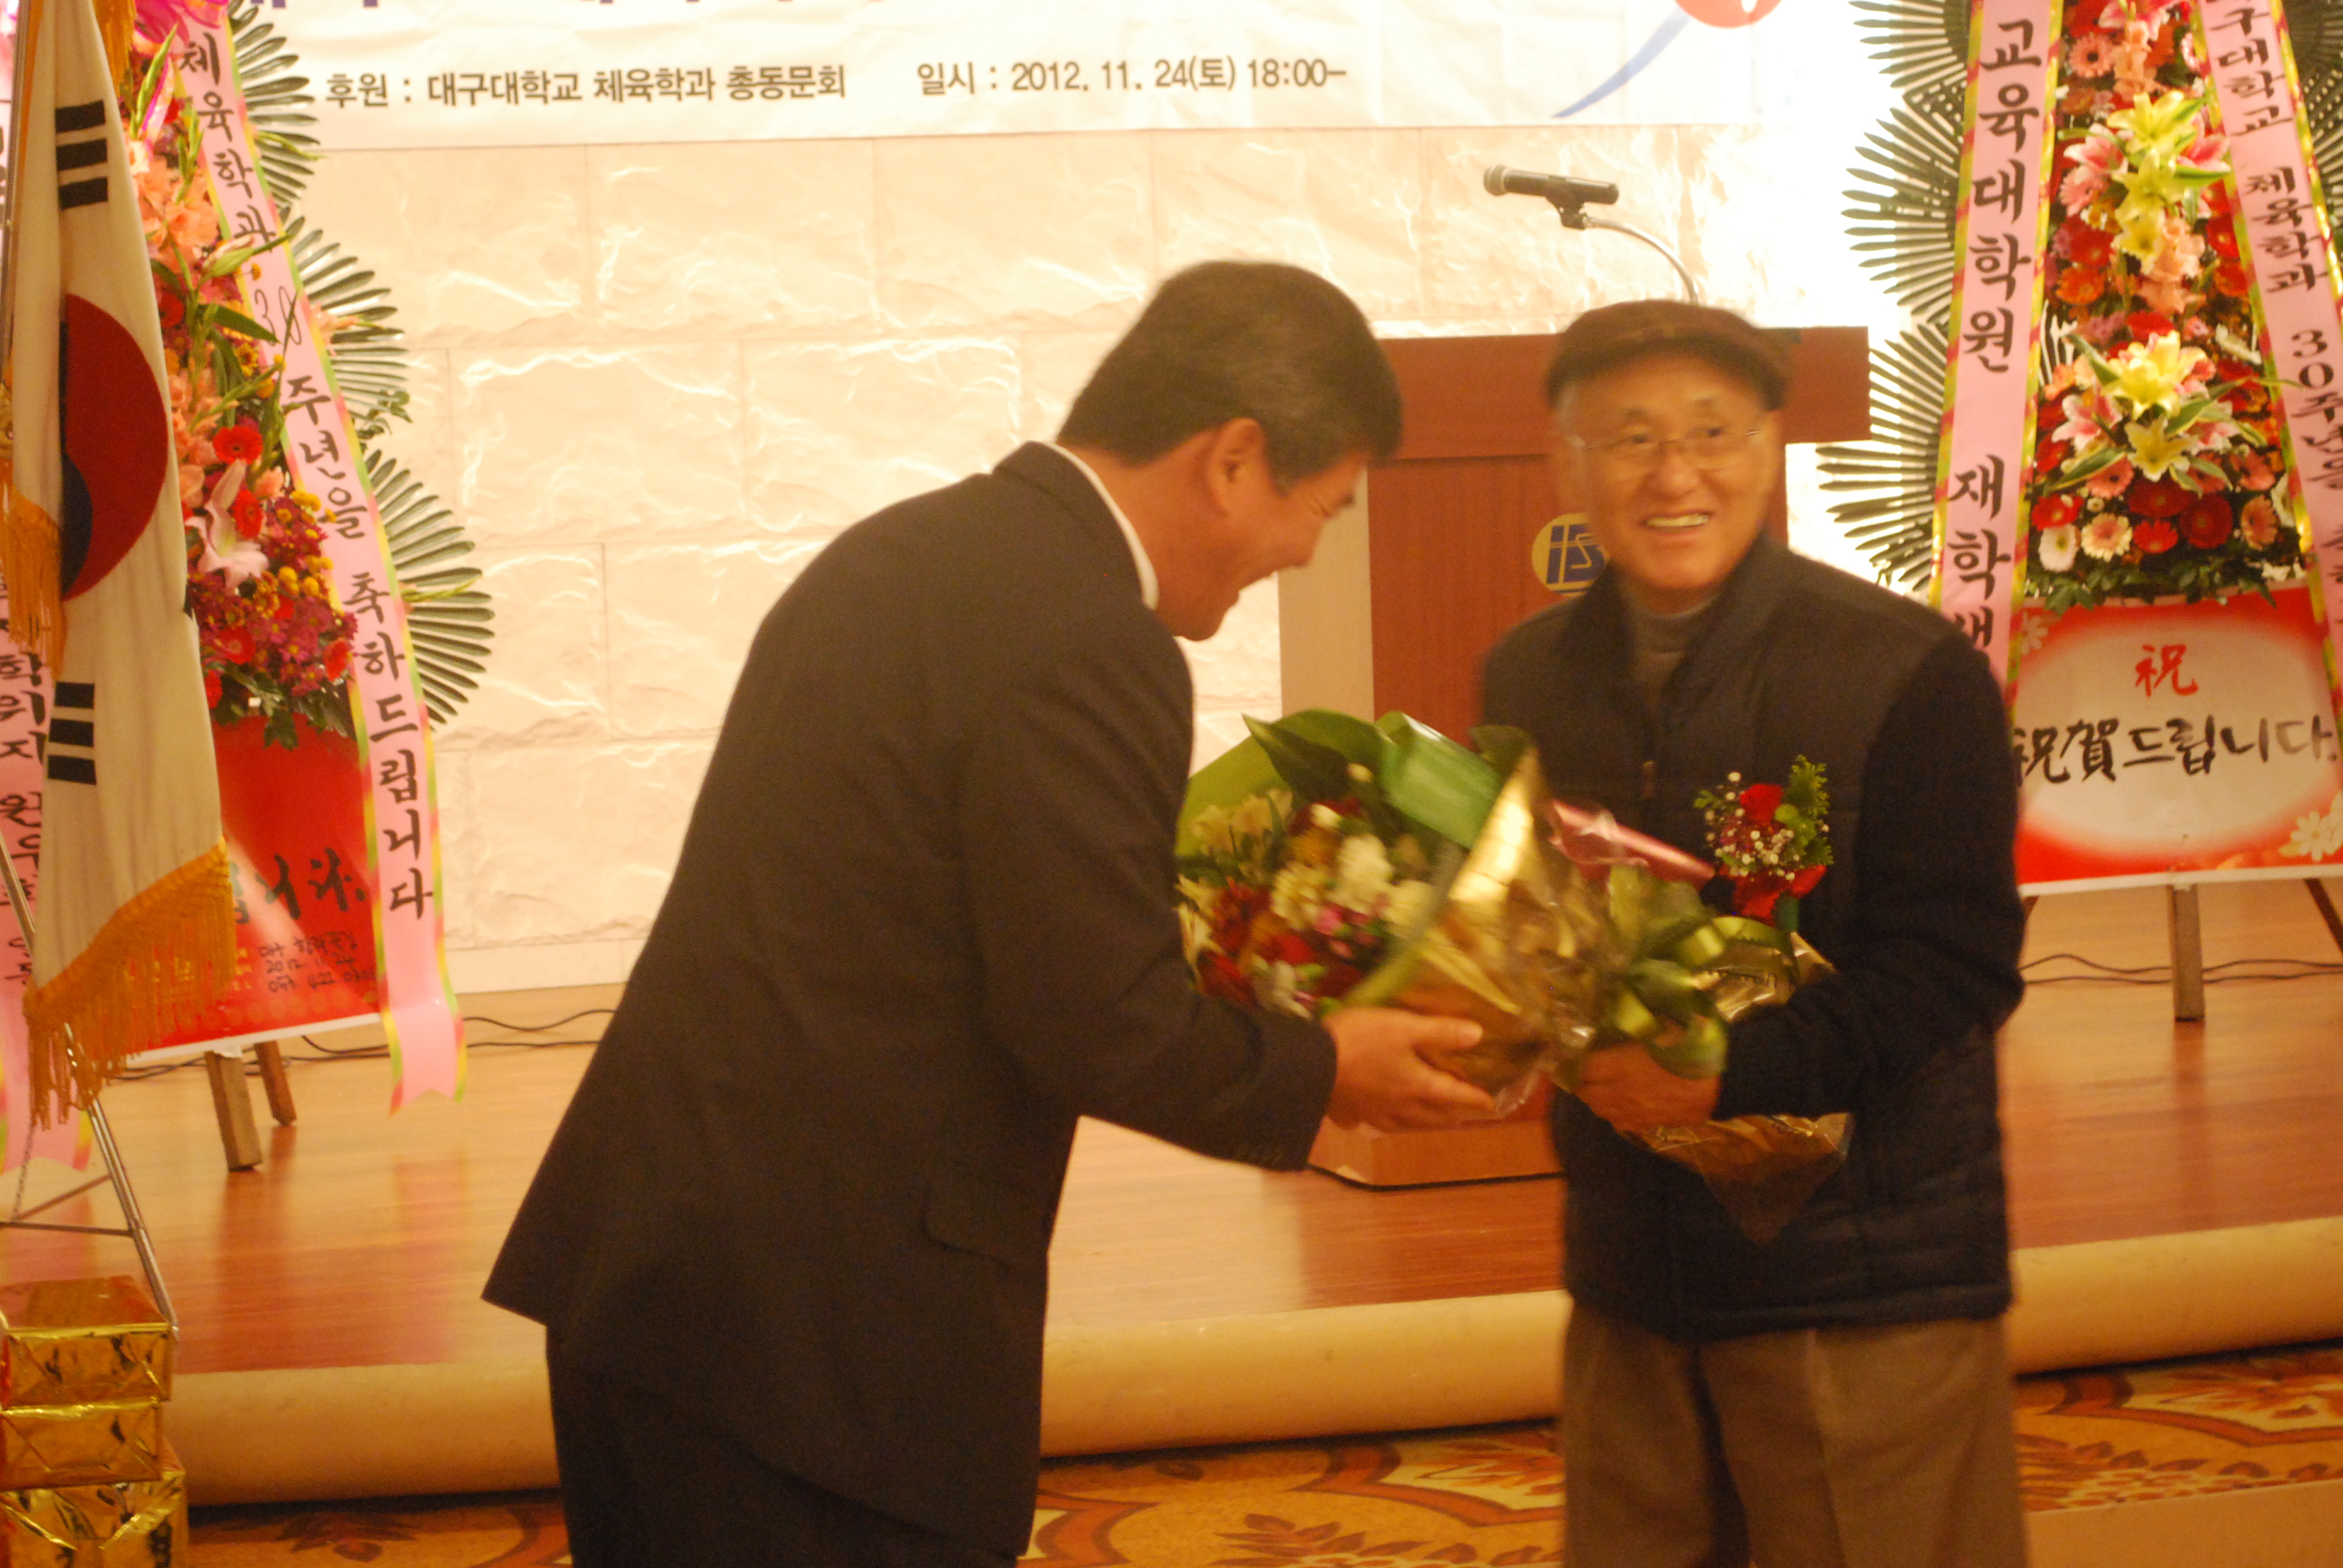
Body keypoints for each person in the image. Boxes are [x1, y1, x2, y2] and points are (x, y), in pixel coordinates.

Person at [484, 260, 1497, 1567]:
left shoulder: (905, 549)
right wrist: (1327, 1068)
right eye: (1326, 506)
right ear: (1235, 459)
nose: (1305, 552)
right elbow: (1096, 1024)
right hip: (821, 1354)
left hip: (659, 1278)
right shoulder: (1091, 638)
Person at [1480, 299, 2030, 1568]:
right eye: (1630, 439)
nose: (1674, 475)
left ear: (1771, 444)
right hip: (1631, 1268)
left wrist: (1731, 1074)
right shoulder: (1527, 679)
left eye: (1712, 431)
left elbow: (1957, 967)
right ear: (1567, 466)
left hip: (1861, 1279)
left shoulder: (1904, 671)